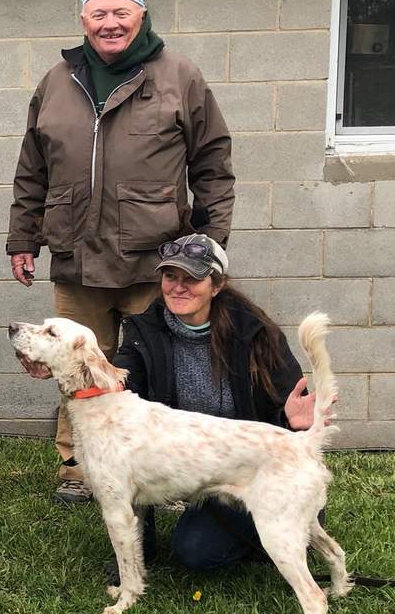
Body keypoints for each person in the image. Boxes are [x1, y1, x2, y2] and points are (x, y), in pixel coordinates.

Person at [6, 0, 235, 505]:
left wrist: (207, 248)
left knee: (161, 360)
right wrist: (23, 237)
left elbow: (213, 168)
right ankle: (76, 466)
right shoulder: (57, 81)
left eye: (120, 13)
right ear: (83, 21)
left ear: (141, 15)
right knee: (76, 363)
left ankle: (167, 469)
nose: (110, 24)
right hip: (76, 253)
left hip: (156, 258)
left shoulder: (180, 77)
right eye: (98, 15)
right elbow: (31, 170)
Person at [108, 233, 321, 578]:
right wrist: (68, 370)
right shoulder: (143, 330)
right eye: (170, 276)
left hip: (258, 470)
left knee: (272, 536)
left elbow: (291, 418)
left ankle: (285, 530)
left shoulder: (256, 332)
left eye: (192, 278)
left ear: (216, 285)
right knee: (194, 552)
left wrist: (289, 418)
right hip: (201, 475)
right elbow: (120, 389)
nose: (178, 287)